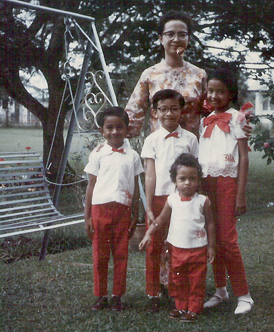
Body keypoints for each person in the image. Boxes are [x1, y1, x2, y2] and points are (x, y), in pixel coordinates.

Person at [199, 68, 254, 314]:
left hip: (227, 183)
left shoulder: (237, 118)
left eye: (220, 91)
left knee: (228, 241)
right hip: (206, 184)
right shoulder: (205, 120)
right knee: (213, 239)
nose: (214, 95)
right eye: (210, 91)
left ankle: (244, 295)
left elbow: (243, 157)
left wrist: (240, 194)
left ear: (231, 93)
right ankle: (220, 290)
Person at [140, 89, 199, 312]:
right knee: (154, 246)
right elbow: (150, 174)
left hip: (182, 200)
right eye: (163, 109)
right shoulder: (151, 140)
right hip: (157, 199)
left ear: (181, 111)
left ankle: (177, 291)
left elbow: (194, 173)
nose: (169, 114)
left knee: (178, 246)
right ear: (155, 112)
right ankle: (154, 291)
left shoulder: (191, 139)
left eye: (174, 108)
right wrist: (148, 206)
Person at [139, 153, 215, 323]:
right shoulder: (172, 200)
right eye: (182, 178)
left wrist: (211, 246)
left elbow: (210, 224)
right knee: (178, 279)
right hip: (177, 250)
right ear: (175, 180)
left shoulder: (203, 201)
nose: (187, 182)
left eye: (192, 178)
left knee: (196, 280)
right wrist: (148, 233)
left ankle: (194, 308)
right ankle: (181, 306)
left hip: (198, 249)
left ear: (198, 180)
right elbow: (159, 220)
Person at [83, 106, 144, 312]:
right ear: (102, 131)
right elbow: (91, 186)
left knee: (120, 255)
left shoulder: (133, 156)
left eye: (120, 127)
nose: (115, 132)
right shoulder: (97, 154)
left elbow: (135, 187)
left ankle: (117, 295)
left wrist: (136, 213)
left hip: (123, 211)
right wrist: (87, 217)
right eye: (109, 127)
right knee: (100, 256)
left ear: (127, 129)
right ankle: (100, 296)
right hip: (100, 210)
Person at [125, 10, 207, 137]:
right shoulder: (149, 75)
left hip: (192, 151)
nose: (176, 39)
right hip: (159, 152)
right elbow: (133, 117)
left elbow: (214, 115)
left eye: (182, 34)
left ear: (188, 38)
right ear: (161, 39)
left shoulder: (199, 75)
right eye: (170, 34)